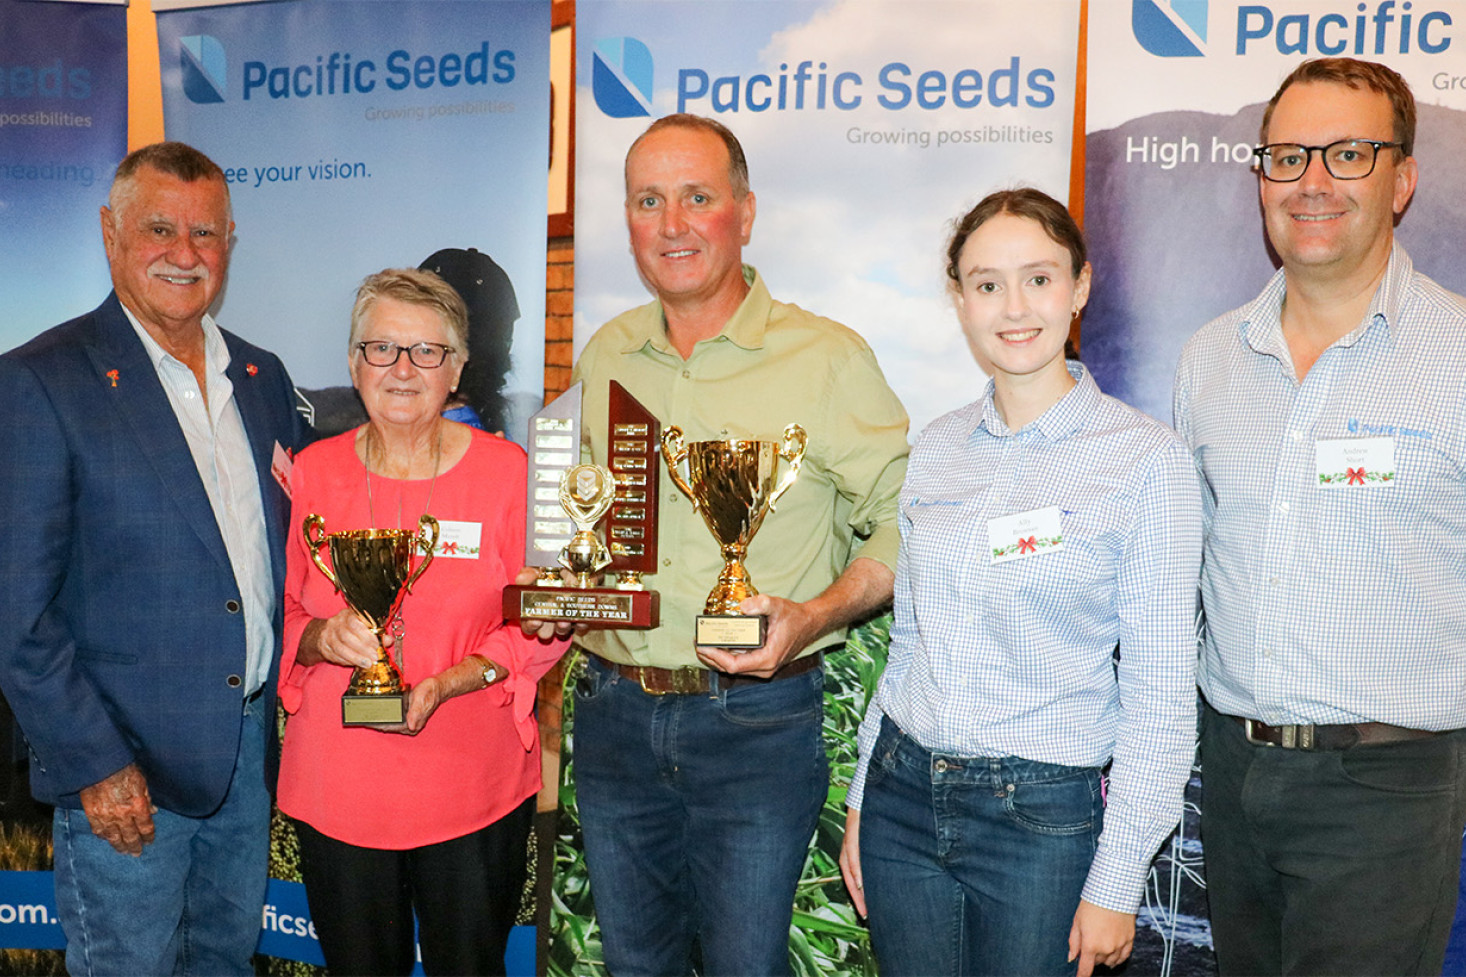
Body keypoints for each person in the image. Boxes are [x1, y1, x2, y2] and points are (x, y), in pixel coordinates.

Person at [546, 114, 909, 975]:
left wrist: (814, 612)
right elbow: (589, 521)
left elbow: (903, 519)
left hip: (754, 723)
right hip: (613, 716)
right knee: (636, 966)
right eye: (648, 201)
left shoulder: (824, 358)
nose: (672, 224)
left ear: (744, 212)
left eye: (697, 197)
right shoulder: (608, 355)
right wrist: (562, 584)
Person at [838, 188, 1202, 977]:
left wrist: (1116, 880)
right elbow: (909, 646)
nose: (1014, 306)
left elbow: (1162, 696)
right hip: (902, 800)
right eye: (986, 283)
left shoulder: (1145, 462)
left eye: (1038, 279)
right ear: (960, 300)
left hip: (1038, 822)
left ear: (1079, 287)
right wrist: (865, 795)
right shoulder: (935, 448)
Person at [1172, 57, 1466, 976]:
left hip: (1388, 783)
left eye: (1348, 153)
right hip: (1233, 769)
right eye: (1287, 155)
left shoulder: (1457, 355)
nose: (1312, 183)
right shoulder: (1210, 359)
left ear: (1402, 178)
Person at [0, 141, 307, 975]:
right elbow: (15, 613)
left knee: (223, 963)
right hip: (123, 769)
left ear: (231, 243)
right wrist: (96, 764)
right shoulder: (40, 381)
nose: (185, 253)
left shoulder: (262, 375)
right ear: (110, 232)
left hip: (244, 754)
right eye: (160, 229)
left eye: (206, 234)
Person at [278, 268, 565, 976]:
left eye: (427, 351)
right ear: (354, 363)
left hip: (472, 781)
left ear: (457, 368)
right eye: (381, 348)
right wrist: (322, 637)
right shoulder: (313, 472)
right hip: (339, 784)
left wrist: (457, 678)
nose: (402, 369)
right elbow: (283, 611)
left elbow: (544, 615)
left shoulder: (509, 473)